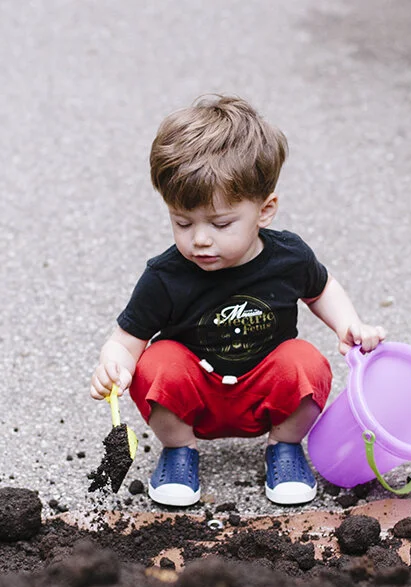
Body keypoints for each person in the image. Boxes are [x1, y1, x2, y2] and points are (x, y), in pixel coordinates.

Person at [89, 94, 386, 507]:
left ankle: (284, 446)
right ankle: (179, 450)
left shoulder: (288, 258)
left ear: (265, 211)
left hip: (265, 391)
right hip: (196, 396)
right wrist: (114, 364)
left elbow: (321, 288)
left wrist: (348, 323)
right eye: (182, 222)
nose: (201, 239)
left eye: (221, 223)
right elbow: (126, 339)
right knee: (155, 362)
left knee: (306, 361)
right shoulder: (166, 276)